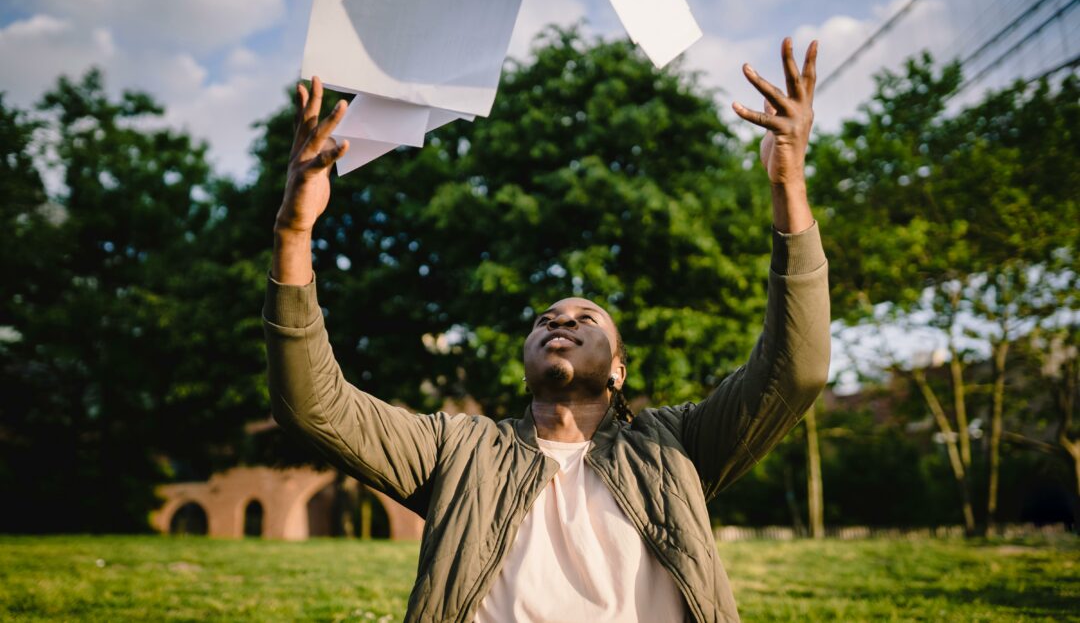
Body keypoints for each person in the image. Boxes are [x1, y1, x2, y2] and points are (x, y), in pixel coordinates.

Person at [263, 37, 830, 623]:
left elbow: (795, 371)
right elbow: (313, 405)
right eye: (546, 320)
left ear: (618, 369)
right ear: (527, 360)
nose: (561, 321)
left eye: (586, 319)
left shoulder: (678, 446)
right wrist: (294, 232)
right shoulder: (460, 451)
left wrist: (788, 184)